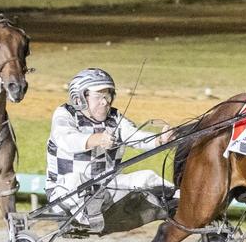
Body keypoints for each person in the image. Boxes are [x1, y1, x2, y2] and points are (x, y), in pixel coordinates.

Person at [45, 67, 174, 231]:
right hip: (63, 194)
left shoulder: (115, 118)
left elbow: (134, 136)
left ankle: (185, 204)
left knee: (148, 177)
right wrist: (97, 139)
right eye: (99, 96)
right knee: (75, 180)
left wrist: (160, 140)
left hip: (106, 188)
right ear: (79, 99)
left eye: (107, 96)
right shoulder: (65, 114)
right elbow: (67, 139)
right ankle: (88, 215)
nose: (105, 102)